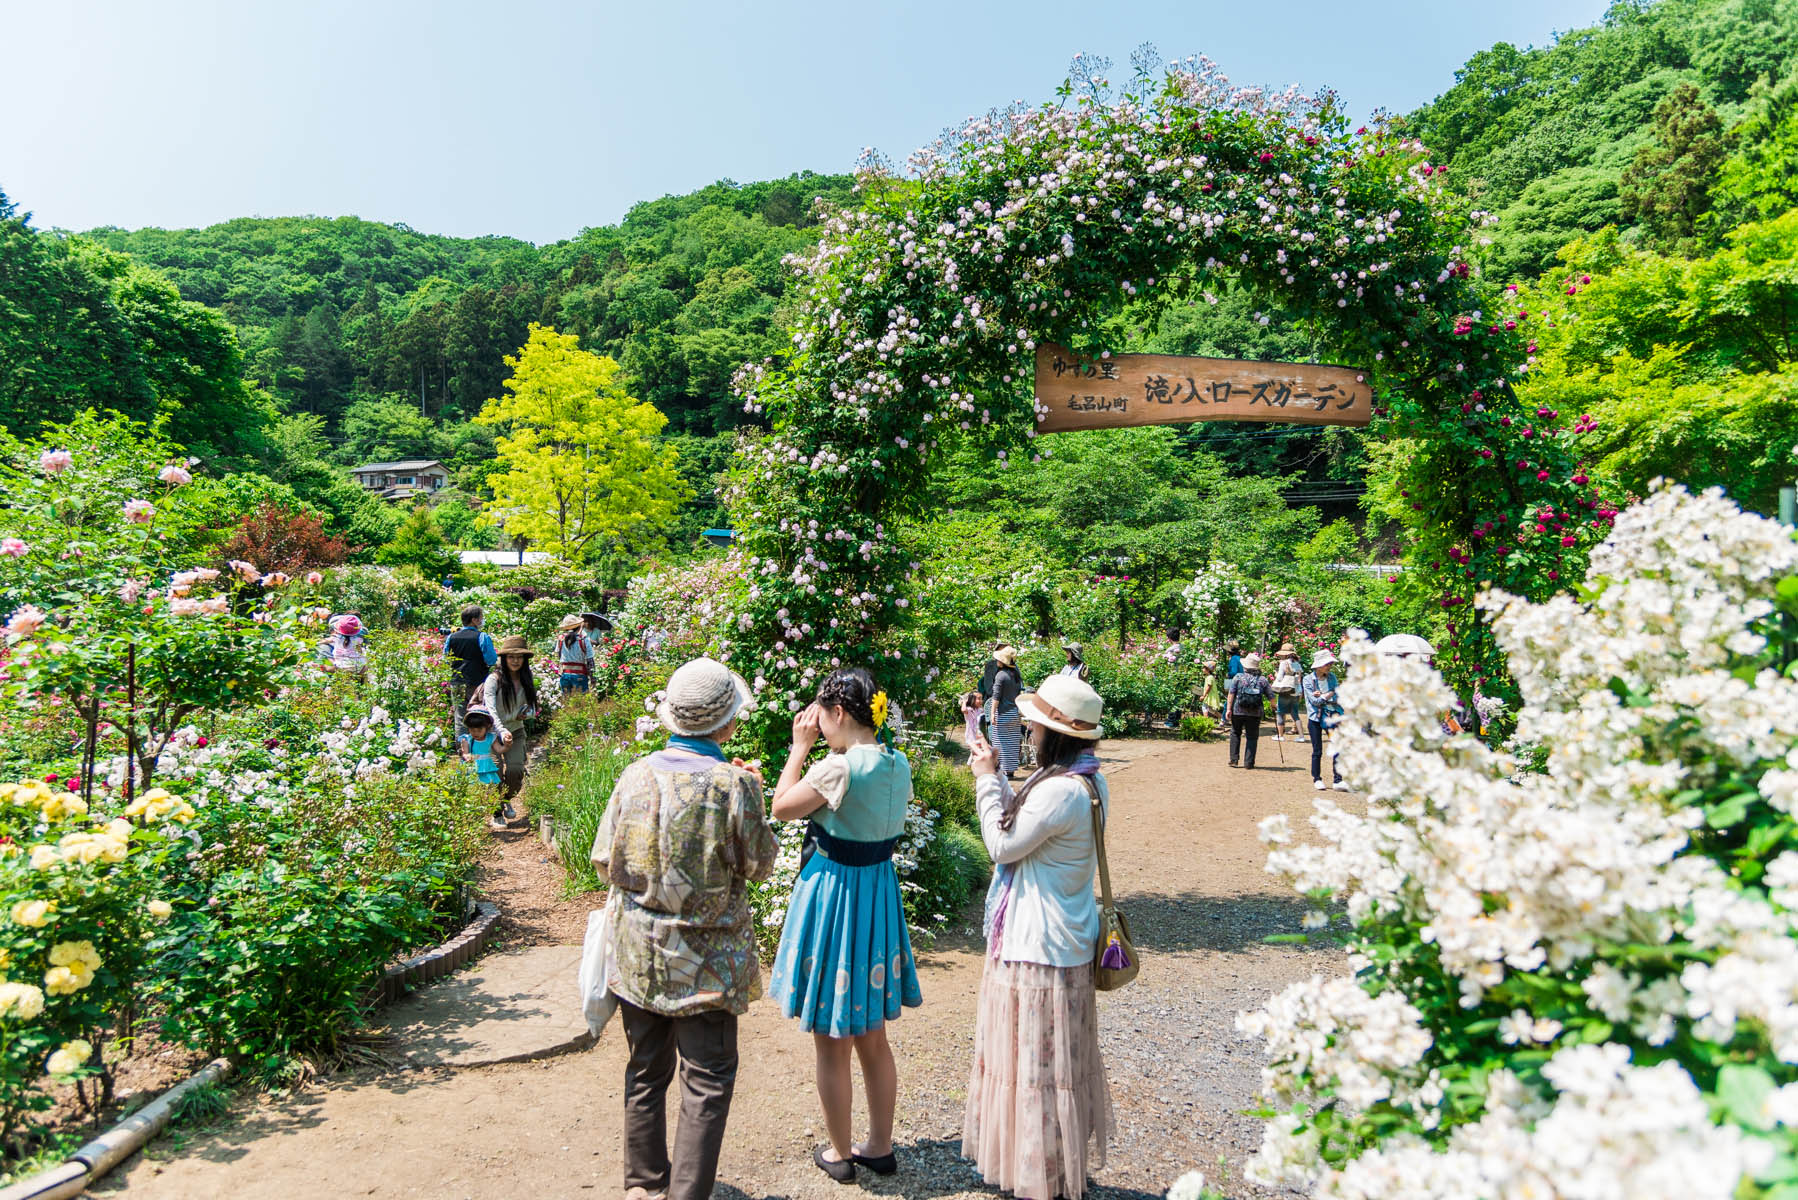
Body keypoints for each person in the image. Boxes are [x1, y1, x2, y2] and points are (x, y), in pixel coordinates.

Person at [591, 657, 778, 1200]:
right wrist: (755, 798)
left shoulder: (635, 774)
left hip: (639, 954)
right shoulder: (734, 784)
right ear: (725, 724)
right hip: (707, 964)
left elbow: (606, 861)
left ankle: (644, 1187)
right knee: (707, 1078)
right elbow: (758, 865)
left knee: (646, 1070)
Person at [964, 673, 1114, 1200]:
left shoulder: (1058, 792)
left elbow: (1001, 847)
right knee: (1055, 1068)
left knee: (1034, 1069)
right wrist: (998, 774)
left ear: (1056, 734)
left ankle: (1039, 1178)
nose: (1027, 729)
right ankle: (1050, 1166)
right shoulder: (1088, 781)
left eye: (1035, 725)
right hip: (1067, 941)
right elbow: (1025, 828)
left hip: (1036, 948)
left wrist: (985, 781)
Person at [768, 668, 922, 1182]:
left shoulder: (838, 767)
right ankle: (880, 1145)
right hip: (876, 895)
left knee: (832, 1038)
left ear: (837, 713)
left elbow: (782, 807)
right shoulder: (897, 764)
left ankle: (839, 1153)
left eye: (821, 716)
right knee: (872, 1035)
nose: (817, 724)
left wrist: (798, 748)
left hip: (836, 898)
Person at [481, 635, 539, 820]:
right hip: (491, 734)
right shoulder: (494, 679)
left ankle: (506, 799)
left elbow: (534, 708)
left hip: (516, 731)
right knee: (494, 772)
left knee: (516, 770)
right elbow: (489, 709)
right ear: (504, 658)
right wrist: (501, 730)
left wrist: (527, 714)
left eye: (519, 657)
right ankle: (496, 813)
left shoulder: (526, 679)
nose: (515, 661)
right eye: (511, 657)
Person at [443, 604, 497, 737]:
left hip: (457, 681)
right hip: (477, 683)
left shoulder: (452, 637)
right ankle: (482, 749)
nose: (482, 620)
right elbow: (491, 660)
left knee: (460, 719)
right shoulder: (482, 637)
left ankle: (463, 752)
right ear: (474, 620)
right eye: (480, 618)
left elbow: (446, 658)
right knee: (481, 715)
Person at [1302, 651, 1350, 792]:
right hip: (1315, 718)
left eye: (1330, 663)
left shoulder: (1332, 677)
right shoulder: (1308, 680)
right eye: (1327, 664)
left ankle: (1338, 780)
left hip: (1332, 716)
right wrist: (1329, 694)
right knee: (1317, 750)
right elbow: (1315, 702)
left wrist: (1324, 695)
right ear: (1319, 666)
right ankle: (1317, 778)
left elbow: (1337, 697)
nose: (1330, 666)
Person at [457, 704, 509, 829]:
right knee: (472, 793)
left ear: (487, 727)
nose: (475, 733)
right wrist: (467, 756)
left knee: (492, 790)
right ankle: (473, 819)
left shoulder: (491, 738)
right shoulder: (466, 739)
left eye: (479, 730)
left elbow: (499, 749)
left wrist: (507, 745)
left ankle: (497, 814)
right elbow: (465, 752)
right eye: (472, 730)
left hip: (487, 768)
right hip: (473, 768)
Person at [1226, 652, 1269, 769]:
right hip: (1255, 712)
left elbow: (1231, 693)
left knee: (1235, 733)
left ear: (1245, 666)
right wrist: (1274, 706)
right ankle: (1249, 763)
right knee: (1252, 737)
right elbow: (1271, 696)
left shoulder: (1238, 677)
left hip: (1238, 710)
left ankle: (1234, 760)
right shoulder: (1262, 680)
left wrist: (1228, 709)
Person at [988, 646, 1024, 778]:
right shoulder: (1016, 675)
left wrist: (992, 713)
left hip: (1003, 713)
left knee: (1000, 743)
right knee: (1012, 743)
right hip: (1014, 713)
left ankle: (1002, 770)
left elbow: (996, 697)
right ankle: (1010, 771)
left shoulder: (1000, 675)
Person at [554, 614, 595, 695]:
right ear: (579, 626)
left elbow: (559, 656)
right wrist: (593, 679)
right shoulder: (584, 640)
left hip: (565, 675)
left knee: (566, 703)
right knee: (581, 704)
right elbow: (590, 661)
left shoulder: (561, 640)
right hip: (580, 675)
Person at [1270, 643, 1303, 742]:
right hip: (1296, 691)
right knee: (1295, 714)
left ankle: (1280, 735)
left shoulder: (1284, 663)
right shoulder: (1297, 663)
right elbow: (1299, 679)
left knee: (1280, 712)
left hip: (1285, 690)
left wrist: (1276, 674)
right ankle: (1301, 736)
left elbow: (1280, 678)